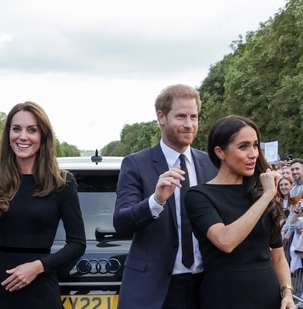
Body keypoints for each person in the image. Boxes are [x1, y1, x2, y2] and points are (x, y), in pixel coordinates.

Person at [113, 84, 217, 309]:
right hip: (156, 291)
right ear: (161, 117)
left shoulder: (211, 165)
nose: (189, 124)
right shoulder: (136, 164)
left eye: (193, 117)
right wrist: (156, 201)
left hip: (206, 288)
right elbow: (121, 222)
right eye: (181, 116)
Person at [0, 101, 86, 309]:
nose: (23, 136)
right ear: (8, 135)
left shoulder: (62, 182)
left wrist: (38, 266)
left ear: (43, 137)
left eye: (32, 130)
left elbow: (77, 243)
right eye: (16, 129)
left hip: (42, 289)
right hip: (4, 289)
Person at [185, 115, 296, 309]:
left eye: (255, 145)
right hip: (223, 298)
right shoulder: (199, 196)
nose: (253, 153)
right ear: (220, 152)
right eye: (243, 146)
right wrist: (267, 195)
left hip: (268, 297)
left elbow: (278, 257)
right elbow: (226, 241)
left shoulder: (259, 193)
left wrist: (287, 293)